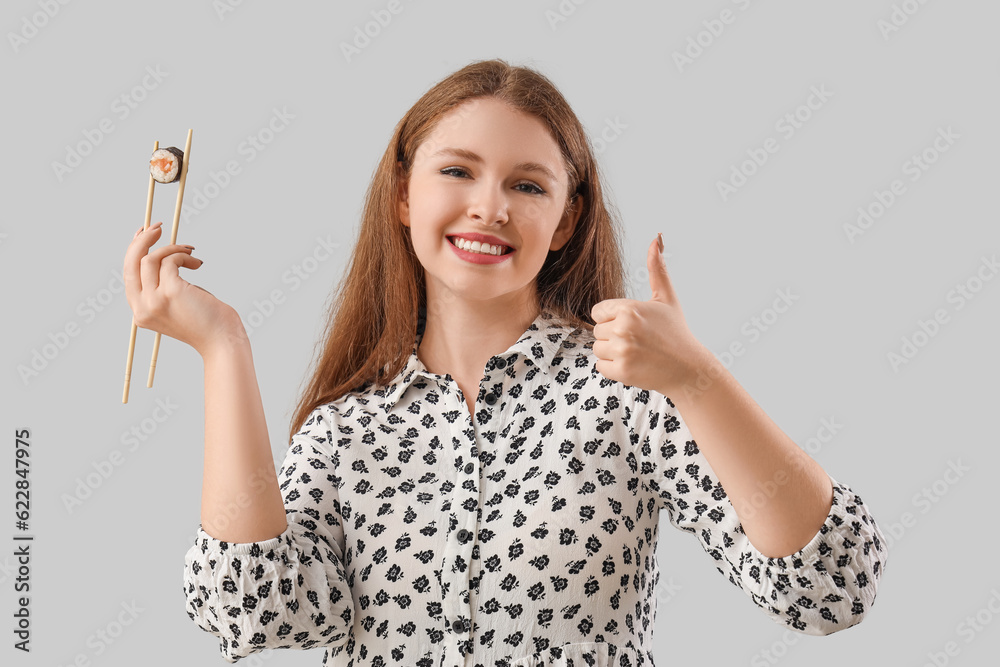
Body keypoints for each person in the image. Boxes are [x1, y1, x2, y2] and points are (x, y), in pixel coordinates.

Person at [123, 58, 888, 666]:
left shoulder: (629, 393)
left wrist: (698, 378)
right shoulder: (345, 432)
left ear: (565, 221)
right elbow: (253, 610)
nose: (491, 206)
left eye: (527, 184)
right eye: (457, 171)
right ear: (402, 194)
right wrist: (224, 348)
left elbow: (830, 587)